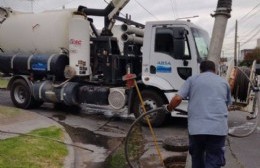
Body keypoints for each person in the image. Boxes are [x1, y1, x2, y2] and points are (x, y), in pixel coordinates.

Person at [165, 60, 232, 168]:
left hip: (197, 130)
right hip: (218, 129)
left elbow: (177, 98)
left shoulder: (192, 80)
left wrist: (169, 108)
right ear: (214, 70)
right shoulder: (224, 82)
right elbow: (228, 104)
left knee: (197, 159)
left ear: (201, 70)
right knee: (214, 161)